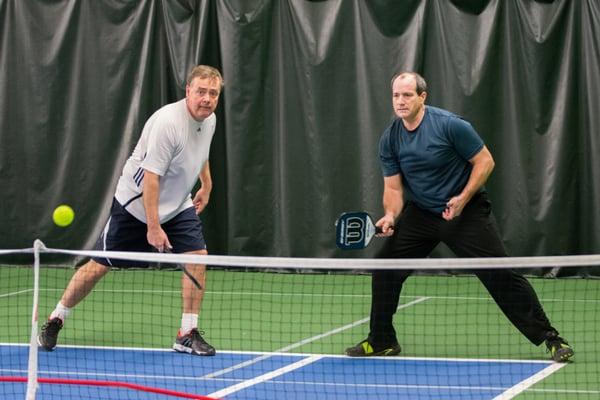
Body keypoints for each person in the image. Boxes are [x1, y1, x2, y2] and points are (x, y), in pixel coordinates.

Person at [345, 71, 574, 362]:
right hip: (422, 215)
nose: (400, 101)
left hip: (465, 213)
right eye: (396, 95)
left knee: (499, 275)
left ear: (422, 97)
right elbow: (392, 186)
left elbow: (485, 161)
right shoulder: (391, 137)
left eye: (407, 95)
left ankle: (550, 339)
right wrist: (390, 214)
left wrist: (462, 198)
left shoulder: (450, 126)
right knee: (385, 269)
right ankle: (381, 341)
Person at [38, 65, 224, 356]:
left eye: (213, 93)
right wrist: (152, 226)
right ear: (188, 90)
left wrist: (206, 184)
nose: (207, 99)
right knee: (99, 266)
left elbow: (200, 152)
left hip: (177, 204)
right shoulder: (168, 123)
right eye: (201, 91)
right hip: (136, 205)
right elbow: (151, 179)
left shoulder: (209, 119)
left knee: (197, 257)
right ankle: (56, 318)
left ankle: (186, 332)